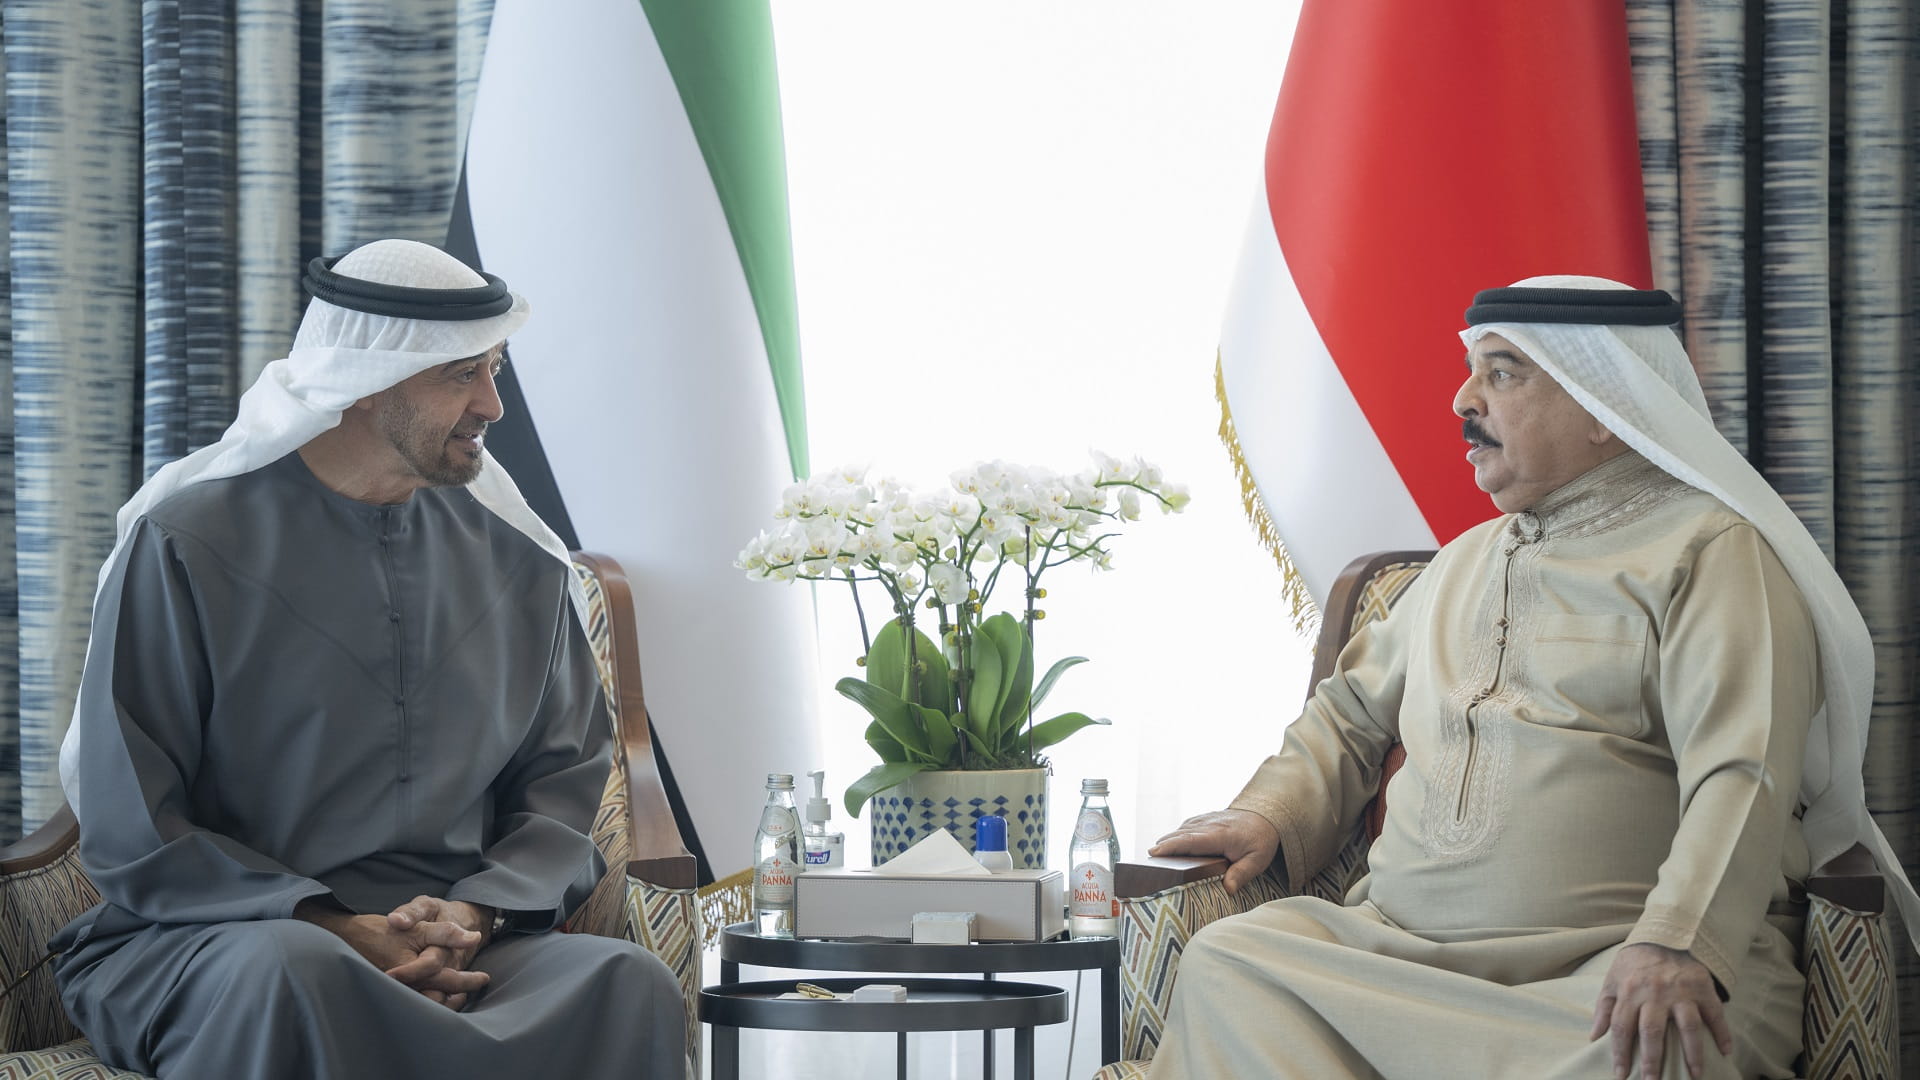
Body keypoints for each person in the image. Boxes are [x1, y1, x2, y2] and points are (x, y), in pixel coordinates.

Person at [1147, 276, 1917, 1080]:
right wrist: (1268, 814)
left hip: (1605, 977)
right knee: (1231, 962)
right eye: (1474, 369)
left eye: (1503, 372)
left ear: (1600, 405)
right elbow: (1347, 714)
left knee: (1652, 1051)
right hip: (1401, 965)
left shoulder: (1711, 551)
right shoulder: (1460, 563)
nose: (1462, 398)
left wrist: (1677, 941)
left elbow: (1745, 766)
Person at [49, 239, 687, 1078]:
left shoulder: (523, 566)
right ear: (366, 382)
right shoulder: (185, 545)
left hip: (464, 944)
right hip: (216, 939)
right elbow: (136, 813)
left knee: (624, 980)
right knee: (296, 974)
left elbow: (560, 788)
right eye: (461, 375)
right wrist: (341, 928)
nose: (493, 405)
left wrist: (470, 916)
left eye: (494, 369)